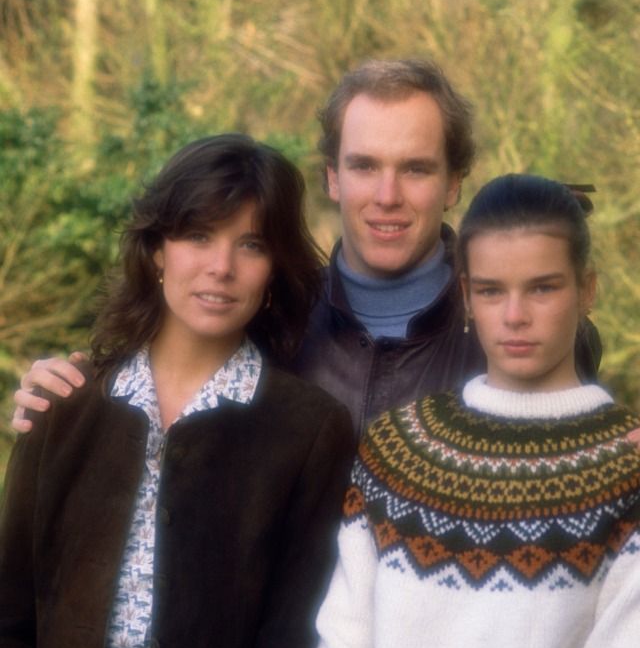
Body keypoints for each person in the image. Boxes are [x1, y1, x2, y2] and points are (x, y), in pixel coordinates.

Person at [11, 59, 602, 437]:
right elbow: (161, 392)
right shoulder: (264, 320)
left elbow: (588, 441)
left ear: (453, 184)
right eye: (364, 166)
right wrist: (69, 393)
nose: (387, 195)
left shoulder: (517, 333)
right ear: (332, 179)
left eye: (415, 169)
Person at [0, 134, 355, 648]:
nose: (221, 267)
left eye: (252, 244)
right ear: (157, 250)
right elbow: (7, 629)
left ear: (274, 269)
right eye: (198, 236)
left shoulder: (308, 430)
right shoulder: (63, 404)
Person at [298, 173, 640, 648]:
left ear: (587, 290)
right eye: (490, 290)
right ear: (464, 293)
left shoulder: (624, 468)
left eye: (543, 288)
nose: (514, 315)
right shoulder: (397, 450)